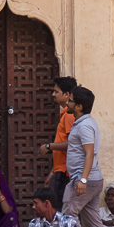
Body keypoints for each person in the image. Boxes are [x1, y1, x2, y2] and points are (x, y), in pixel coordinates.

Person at [62, 85, 105, 227]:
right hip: (92, 179)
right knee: (93, 220)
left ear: (79, 106)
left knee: (68, 214)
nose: (67, 103)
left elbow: (89, 154)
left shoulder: (85, 125)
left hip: (84, 180)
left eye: (70, 100)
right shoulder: (85, 123)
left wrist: (83, 180)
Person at [39, 76, 78, 206]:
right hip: (61, 171)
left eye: (56, 91)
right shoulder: (66, 115)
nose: (53, 94)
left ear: (66, 94)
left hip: (66, 173)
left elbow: (73, 144)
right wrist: (52, 172)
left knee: (65, 211)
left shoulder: (69, 115)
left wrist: (49, 146)